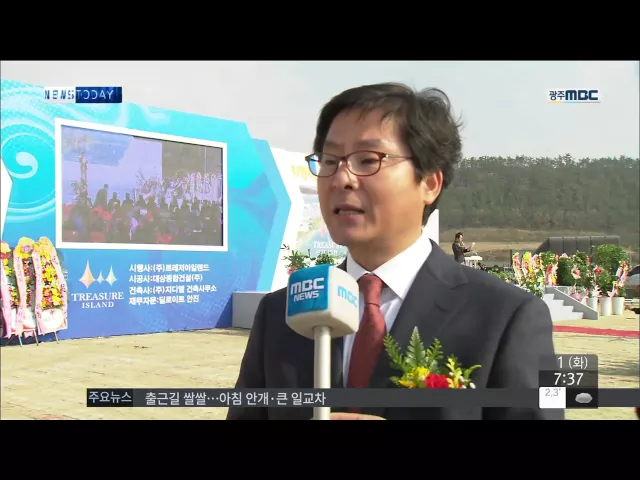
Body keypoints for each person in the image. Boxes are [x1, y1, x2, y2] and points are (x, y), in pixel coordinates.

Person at [227, 82, 561, 420]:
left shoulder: (508, 316)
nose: (341, 178)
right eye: (329, 160)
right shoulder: (280, 314)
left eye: (367, 160)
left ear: (429, 182)